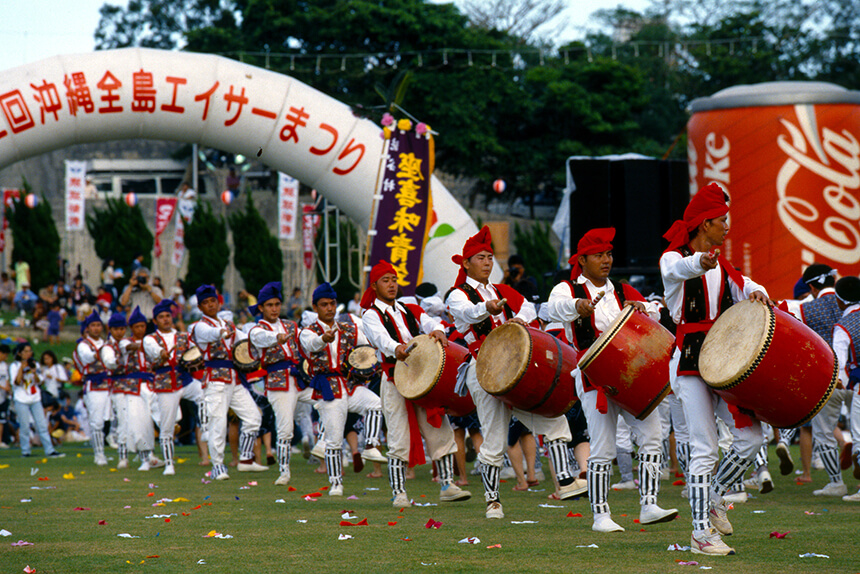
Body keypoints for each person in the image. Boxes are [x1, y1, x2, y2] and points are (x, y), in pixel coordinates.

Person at [660, 182, 770, 556]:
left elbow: (745, 285)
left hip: (723, 360)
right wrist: (700, 262)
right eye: (722, 220)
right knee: (704, 447)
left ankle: (716, 496)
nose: (727, 226)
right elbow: (681, 269)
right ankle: (700, 534)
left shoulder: (723, 264)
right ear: (705, 224)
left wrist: (758, 293)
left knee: (753, 437)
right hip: (690, 362)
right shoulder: (672, 258)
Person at [446, 226, 586, 520]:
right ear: (466, 263)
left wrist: (518, 321)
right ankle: (492, 500)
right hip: (482, 368)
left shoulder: (502, 290)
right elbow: (469, 314)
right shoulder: (457, 295)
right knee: (494, 438)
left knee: (554, 418)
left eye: (489, 257)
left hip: (515, 368)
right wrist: (488, 307)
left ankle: (563, 481)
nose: (487, 262)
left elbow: (529, 310)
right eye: (481, 257)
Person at [548, 227, 678, 532]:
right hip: (595, 377)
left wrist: (645, 308)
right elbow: (551, 308)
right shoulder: (567, 289)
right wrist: (576, 307)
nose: (606, 260)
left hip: (633, 375)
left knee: (652, 436)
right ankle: (600, 515)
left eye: (608, 254)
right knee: (603, 446)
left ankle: (649, 504)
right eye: (598, 255)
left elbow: (656, 311)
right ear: (582, 260)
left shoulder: (622, 290)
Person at [361, 261, 471, 506]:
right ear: (375, 285)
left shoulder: (408, 308)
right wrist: (395, 347)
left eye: (393, 279)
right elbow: (380, 338)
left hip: (422, 376)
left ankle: (447, 484)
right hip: (393, 378)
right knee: (398, 432)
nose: (391, 284)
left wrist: (439, 330)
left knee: (437, 426)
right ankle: (399, 492)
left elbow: (431, 321)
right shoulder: (370, 313)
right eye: (385, 280)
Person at [300, 282, 385, 496]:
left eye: (332, 304)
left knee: (376, 403)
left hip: (349, 384)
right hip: (328, 388)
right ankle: (336, 483)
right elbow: (312, 345)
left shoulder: (349, 328)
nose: (329, 308)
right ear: (315, 307)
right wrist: (324, 338)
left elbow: (367, 345)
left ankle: (371, 444)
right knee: (334, 440)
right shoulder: (308, 332)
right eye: (324, 304)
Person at [189, 285, 266, 480]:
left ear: (218, 302)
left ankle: (246, 459)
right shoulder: (201, 326)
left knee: (253, 417)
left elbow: (245, 342)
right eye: (205, 303)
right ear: (200, 307)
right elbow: (209, 334)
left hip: (234, 378)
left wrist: (263, 340)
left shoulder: (228, 324)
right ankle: (217, 466)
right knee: (218, 423)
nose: (210, 305)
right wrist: (222, 332)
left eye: (212, 301)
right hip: (215, 379)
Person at [247, 282, 315, 486]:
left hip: (300, 378)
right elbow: (262, 339)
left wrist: (321, 338)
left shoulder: (291, 325)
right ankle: (284, 471)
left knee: (330, 403)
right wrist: (277, 337)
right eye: (269, 305)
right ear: (261, 307)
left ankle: (320, 448)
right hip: (278, 382)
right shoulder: (256, 329)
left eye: (277, 304)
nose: (274, 308)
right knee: (285, 428)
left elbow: (307, 340)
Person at [145, 299, 207, 475]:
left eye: (167, 316)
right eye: (161, 317)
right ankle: (169, 463)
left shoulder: (183, 336)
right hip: (165, 383)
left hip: (184, 379)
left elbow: (196, 352)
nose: (166, 319)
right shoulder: (150, 339)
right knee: (167, 425)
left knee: (206, 393)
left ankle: (206, 427)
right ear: (155, 321)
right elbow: (152, 350)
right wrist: (161, 353)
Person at [831, 277, 860, 501]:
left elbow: (838, 364)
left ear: (840, 300)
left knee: (859, 439)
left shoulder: (843, 326)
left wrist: (838, 384)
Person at [11, 343, 63, 458]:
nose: (28, 354)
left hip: (35, 398)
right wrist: (22, 367)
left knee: (42, 425)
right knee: (24, 426)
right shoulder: (14, 365)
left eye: (30, 351)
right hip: (21, 399)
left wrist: (33, 371)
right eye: (25, 351)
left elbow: (40, 381)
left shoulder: (35, 364)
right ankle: (25, 451)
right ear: (20, 353)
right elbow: (17, 382)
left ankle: (49, 450)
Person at [74, 310, 112, 466]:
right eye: (93, 325)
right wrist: (103, 353)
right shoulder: (83, 345)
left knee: (115, 419)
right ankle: (99, 454)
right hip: (94, 385)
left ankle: (124, 452)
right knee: (97, 422)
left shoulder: (106, 342)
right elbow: (87, 357)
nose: (96, 328)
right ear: (87, 328)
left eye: (98, 325)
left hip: (110, 385)